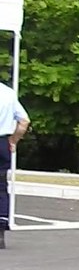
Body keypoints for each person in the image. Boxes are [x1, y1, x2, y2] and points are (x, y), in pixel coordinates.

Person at [0, 78, 31, 250]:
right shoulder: (8, 93)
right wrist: (13, 140)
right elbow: (24, 121)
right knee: (1, 187)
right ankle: (1, 227)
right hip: (2, 142)